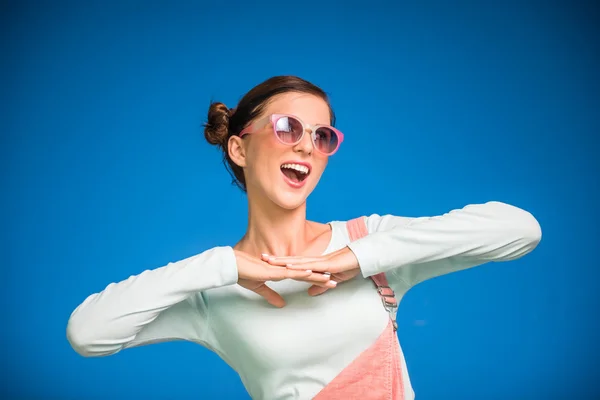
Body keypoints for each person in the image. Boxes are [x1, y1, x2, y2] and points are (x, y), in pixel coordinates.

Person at [66, 75, 542, 399]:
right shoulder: (212, 291)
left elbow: (520, 230)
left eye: (321, 136)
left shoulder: (372, 243)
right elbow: (88, 334)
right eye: (287, 127)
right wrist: (225, 266)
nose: (304, 145)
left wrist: (356, 258)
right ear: (239, 147)